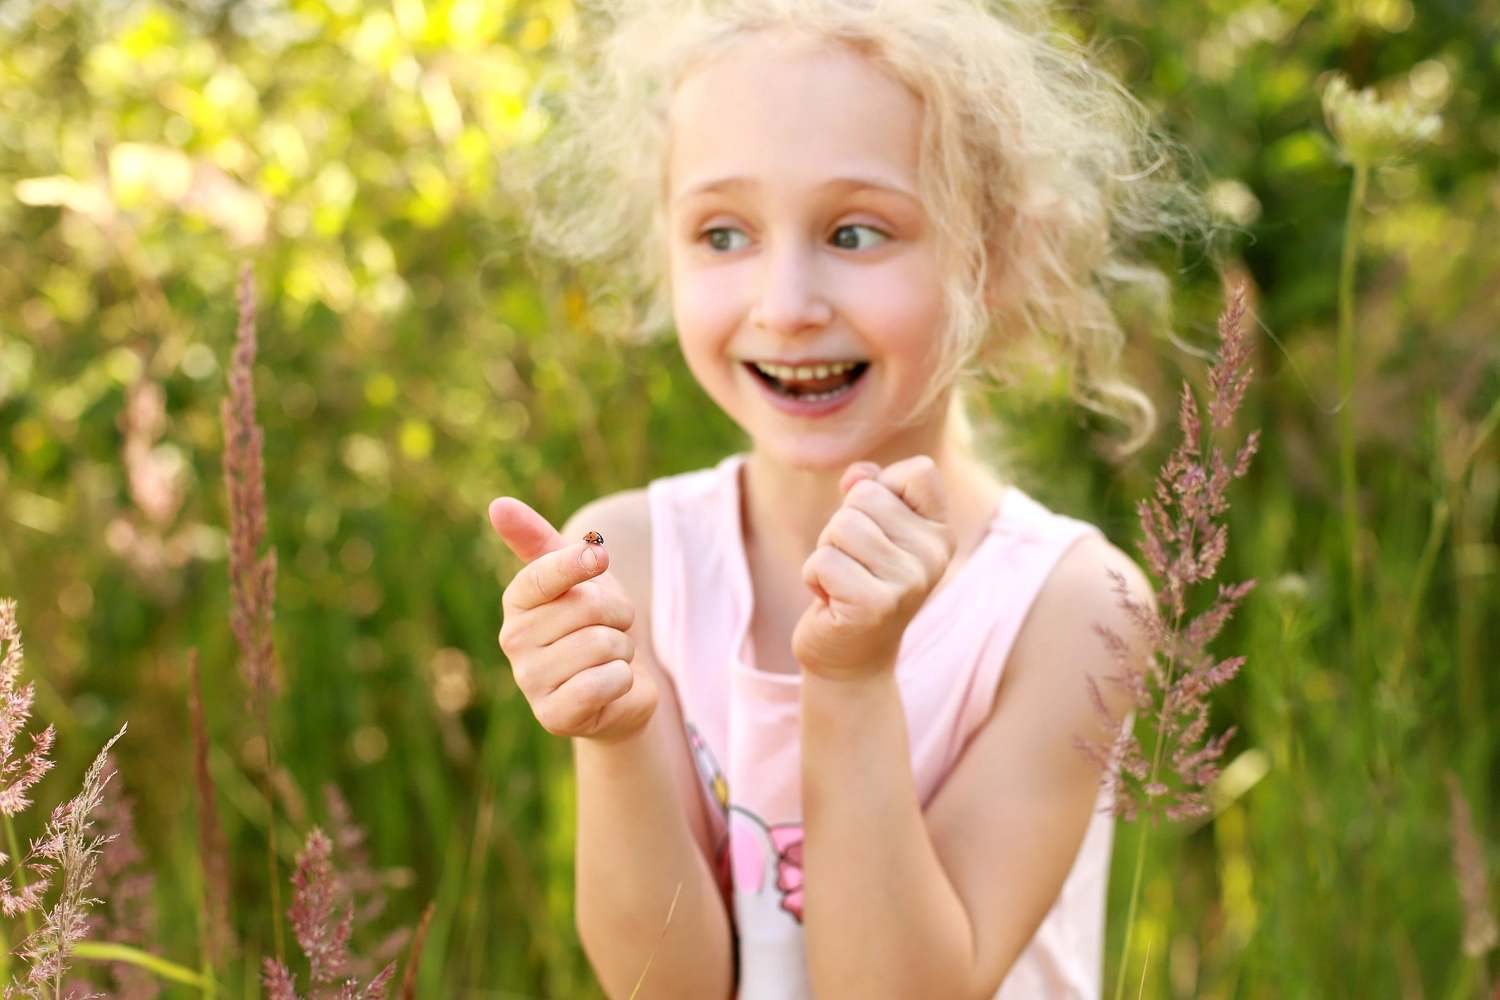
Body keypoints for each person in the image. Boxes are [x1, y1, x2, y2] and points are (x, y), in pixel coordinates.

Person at [489, 1, 1199, 996]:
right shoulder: (630, 561)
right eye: (723, 232)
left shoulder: (1074, 608)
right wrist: (616, 735)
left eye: (856, 232)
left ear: (995, 254)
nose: (785, 303)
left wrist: (855, 682)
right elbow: (667, 986)